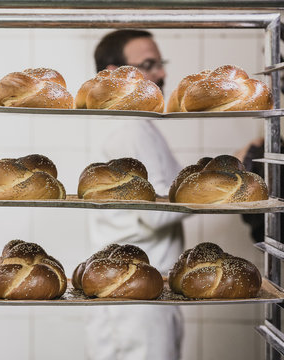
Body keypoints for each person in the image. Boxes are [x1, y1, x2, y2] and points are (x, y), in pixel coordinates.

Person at [85, 30, 186, 360]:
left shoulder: (134, 123)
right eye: (148, 64)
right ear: (116, 74)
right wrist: (222, 185)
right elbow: (155, 213)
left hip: (139, 293)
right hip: (136, 299)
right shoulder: (130, 127)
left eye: (160, 63)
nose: (161, 73)